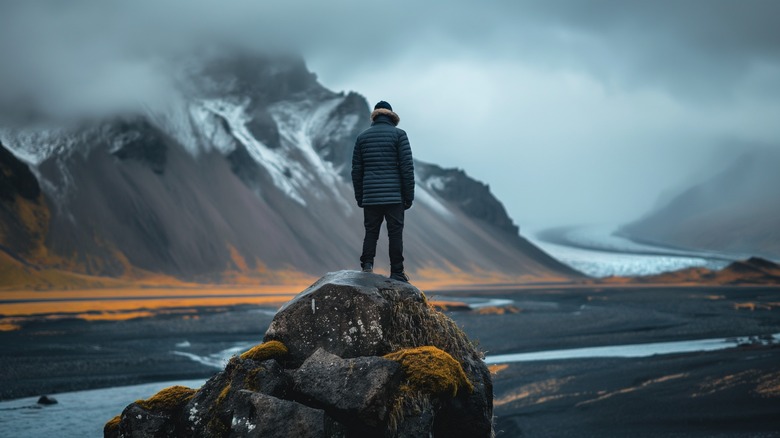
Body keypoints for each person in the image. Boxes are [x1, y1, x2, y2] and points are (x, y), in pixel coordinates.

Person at [352, 100, 415, 282]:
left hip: (371, 195)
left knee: (371, 231)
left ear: (375, 116)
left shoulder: (362, 138)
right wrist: (408, 197)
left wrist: (360, 197)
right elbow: (407, 168)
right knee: (395, 233)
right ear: (391, 116)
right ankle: (397, 272)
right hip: (394, 196)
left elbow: (357, 170)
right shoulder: (399, 135)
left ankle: (367, 265)